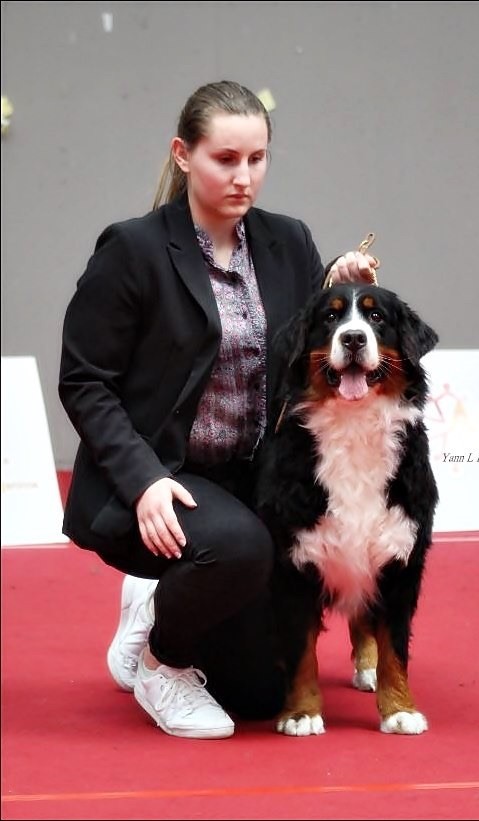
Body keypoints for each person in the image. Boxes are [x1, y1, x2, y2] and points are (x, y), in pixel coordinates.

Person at [59, 80, 379, 740]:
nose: (244, 177)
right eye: (225, 159)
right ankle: (159, 661)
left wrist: (336, 295)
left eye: (257, 159)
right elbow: (85, 380)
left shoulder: (288, 241)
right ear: (183, 154)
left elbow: (295, 349)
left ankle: (156, 608)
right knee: (237, 546)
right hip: (166, 477)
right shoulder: (133, 249)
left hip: (253, 477)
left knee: (263, 694)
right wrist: (144, 479)